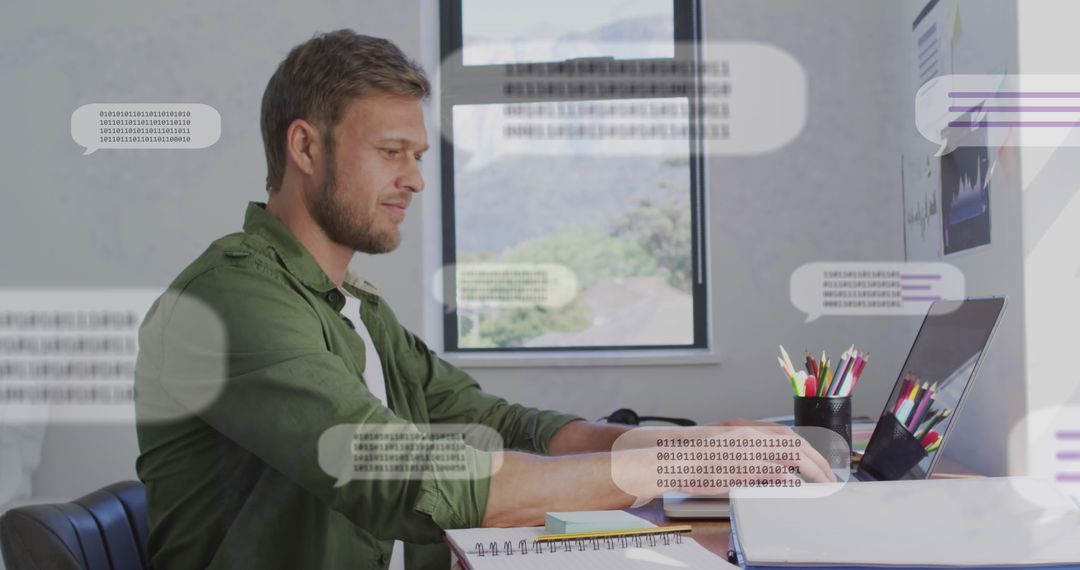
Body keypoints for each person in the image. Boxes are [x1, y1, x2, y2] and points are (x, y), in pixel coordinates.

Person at [134, 30, 833, 570]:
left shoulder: (354, 308)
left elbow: (496, 423)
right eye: (391, 151)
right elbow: (400, 478)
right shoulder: (231, 301)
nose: (414, 179)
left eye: (418, 156)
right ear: (306, 148)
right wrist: (676, 469)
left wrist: (685, 443)